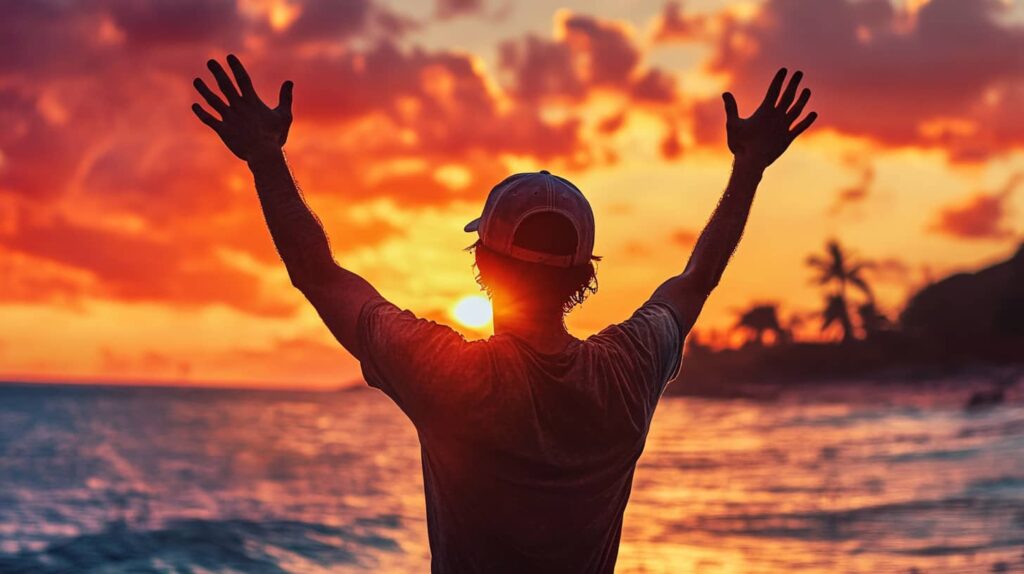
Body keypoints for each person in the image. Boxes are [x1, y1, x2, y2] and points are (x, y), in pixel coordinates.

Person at [191, 55, 816, 573]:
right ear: (584, 275)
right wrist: (748, 169)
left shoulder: (449, 377)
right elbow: (696, 280)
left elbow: (318, 276)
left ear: (482, 266)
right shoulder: (627, 370)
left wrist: (266, 158)